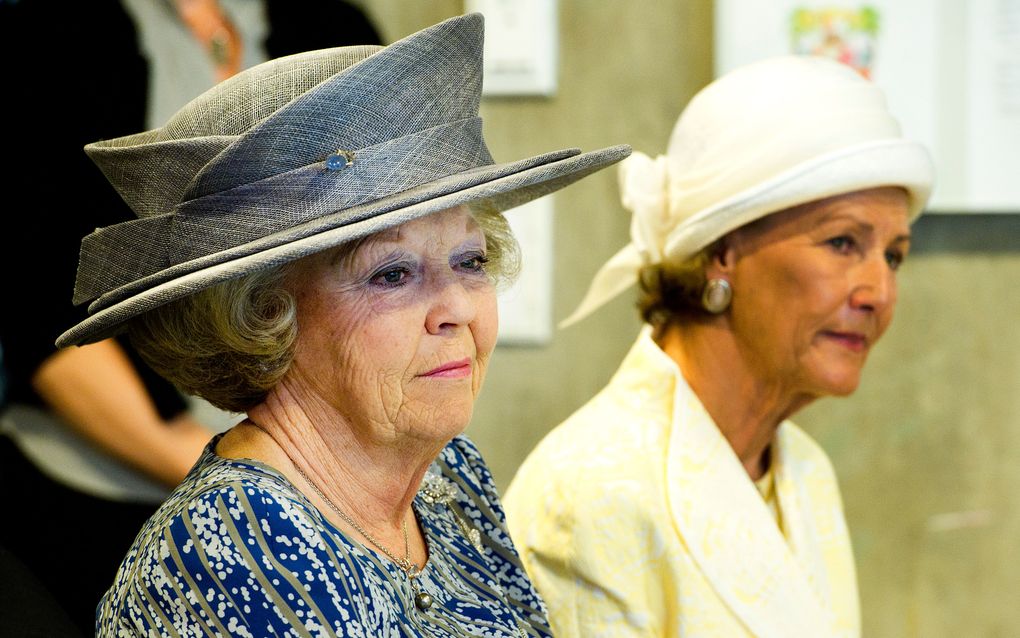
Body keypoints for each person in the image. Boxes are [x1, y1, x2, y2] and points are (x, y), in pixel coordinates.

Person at [58, 13, 629, 635]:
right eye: (391, 274)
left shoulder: (452, 478)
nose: (459, 310)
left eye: (470, 261)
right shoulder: (238, 544)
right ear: (265, 316)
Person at [503, 55, 935, 637]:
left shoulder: (805, 471)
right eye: (841, 242)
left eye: (893, 255)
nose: (880, 292)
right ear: (722, 252)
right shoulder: (590, 497)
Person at [0, 2, 383, 633]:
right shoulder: (59, 37)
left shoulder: (333, 29)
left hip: (319, 487)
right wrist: (238, 470)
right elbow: (37, 301)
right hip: (95, 497)